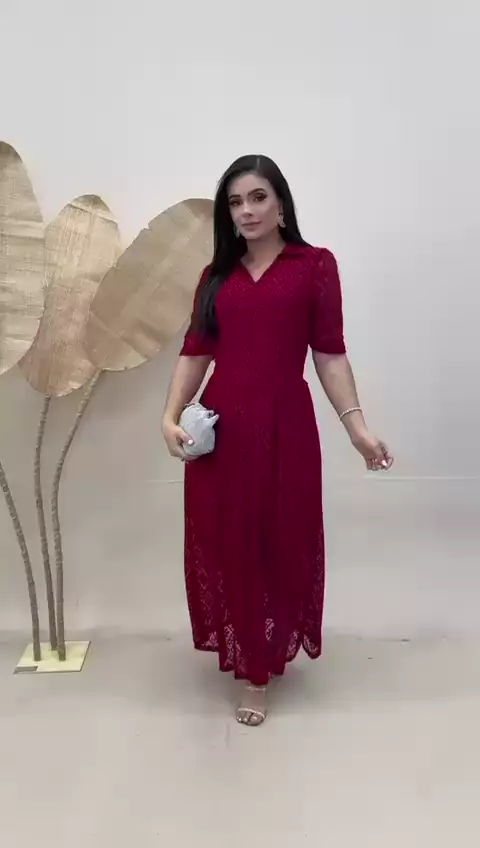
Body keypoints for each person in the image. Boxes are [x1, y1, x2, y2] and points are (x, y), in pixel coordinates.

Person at [162, 155, 393, 727]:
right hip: (223, 430)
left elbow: (330, 354)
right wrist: (169, 416)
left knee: (283, 538)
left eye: (258, 197)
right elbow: (195, 352)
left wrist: (357, 428)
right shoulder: (216, 276)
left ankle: (266, 650)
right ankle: (253, 671)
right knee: (231, 543)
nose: (247, 211)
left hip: (287, 426)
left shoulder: (314, 266)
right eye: (235, 202)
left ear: (281, 203)